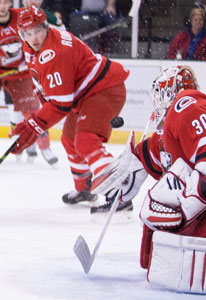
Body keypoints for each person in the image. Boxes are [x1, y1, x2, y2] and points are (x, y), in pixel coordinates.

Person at [91, 65, 206, 294]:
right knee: (162, 232)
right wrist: (133, 165)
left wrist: (190, 201)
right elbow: (152, 153)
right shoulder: (171, 132)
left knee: (200, 255)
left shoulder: (186, 103)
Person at [9, 6, 132, 213]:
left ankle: (119, 193)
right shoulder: (35, 47)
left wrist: (35, 124)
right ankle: (84, 189)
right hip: (86, 94)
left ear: (45, 27)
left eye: (37, 30)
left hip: (104, 90)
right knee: (69, 138)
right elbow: (47, 88)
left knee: (85, 139)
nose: (33, 37)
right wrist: (36, 120)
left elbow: (61, 104)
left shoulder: (54, 52)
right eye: (27, 33)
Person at [0, 0, 58, 165]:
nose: (2, 7)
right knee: (15, 111)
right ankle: (24, 143)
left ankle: (44, 148)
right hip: (2, 71)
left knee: (31, 110)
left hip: (19, 74)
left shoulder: (19, 15)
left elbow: (45, 20)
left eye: (6, 2)